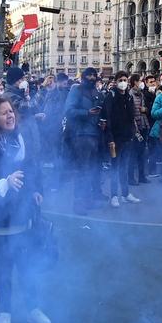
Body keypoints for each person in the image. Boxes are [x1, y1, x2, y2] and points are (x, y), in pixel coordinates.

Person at [0, 98, 51, 323]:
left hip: (23, 213)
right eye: (4, 113)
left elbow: (31, 168)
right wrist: (4, 182)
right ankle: (4, 315)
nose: (10, 116)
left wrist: (37, 189)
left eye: (11, 111)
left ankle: (33, 309)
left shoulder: (20, 138)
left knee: (26, 266)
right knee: (5, 268)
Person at [64, 67, 105, 215]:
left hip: (95, 134)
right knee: (83, 169)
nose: (92, 77)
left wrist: (101, 121)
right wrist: (86, 113)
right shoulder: (76, 90)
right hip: (80, 135)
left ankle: (88, 200)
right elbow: (68, 111)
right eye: (89, 75)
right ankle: (78, 203)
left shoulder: (97, 92)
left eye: (94, 75)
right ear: (83, 77)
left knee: (92, 169)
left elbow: (100, 112)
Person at [103, 71, 141, 207]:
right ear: (116, 81)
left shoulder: (129, 97)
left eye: (125, 80)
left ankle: (125, 194)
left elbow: (131, 117)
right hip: (115, 138)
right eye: (121, 80)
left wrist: (132, 133)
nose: (123, 82)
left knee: (124, 166)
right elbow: (107, 118)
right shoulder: (111, 96)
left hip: (127, 137)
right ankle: (114, 196)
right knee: (115, 167)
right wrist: (110, 138)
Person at [128, 74, 150, 186]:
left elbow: (145, 108)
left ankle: (142, 176)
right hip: (135, 127)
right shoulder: (130, 94)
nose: (142, 83)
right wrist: (135, 129)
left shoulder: (141, 94)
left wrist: (144, 109)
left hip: (144, 125)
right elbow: (130, 113)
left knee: (142, 153)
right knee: (133, 153)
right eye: (140, 81)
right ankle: (131, 178)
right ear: (135, 82)